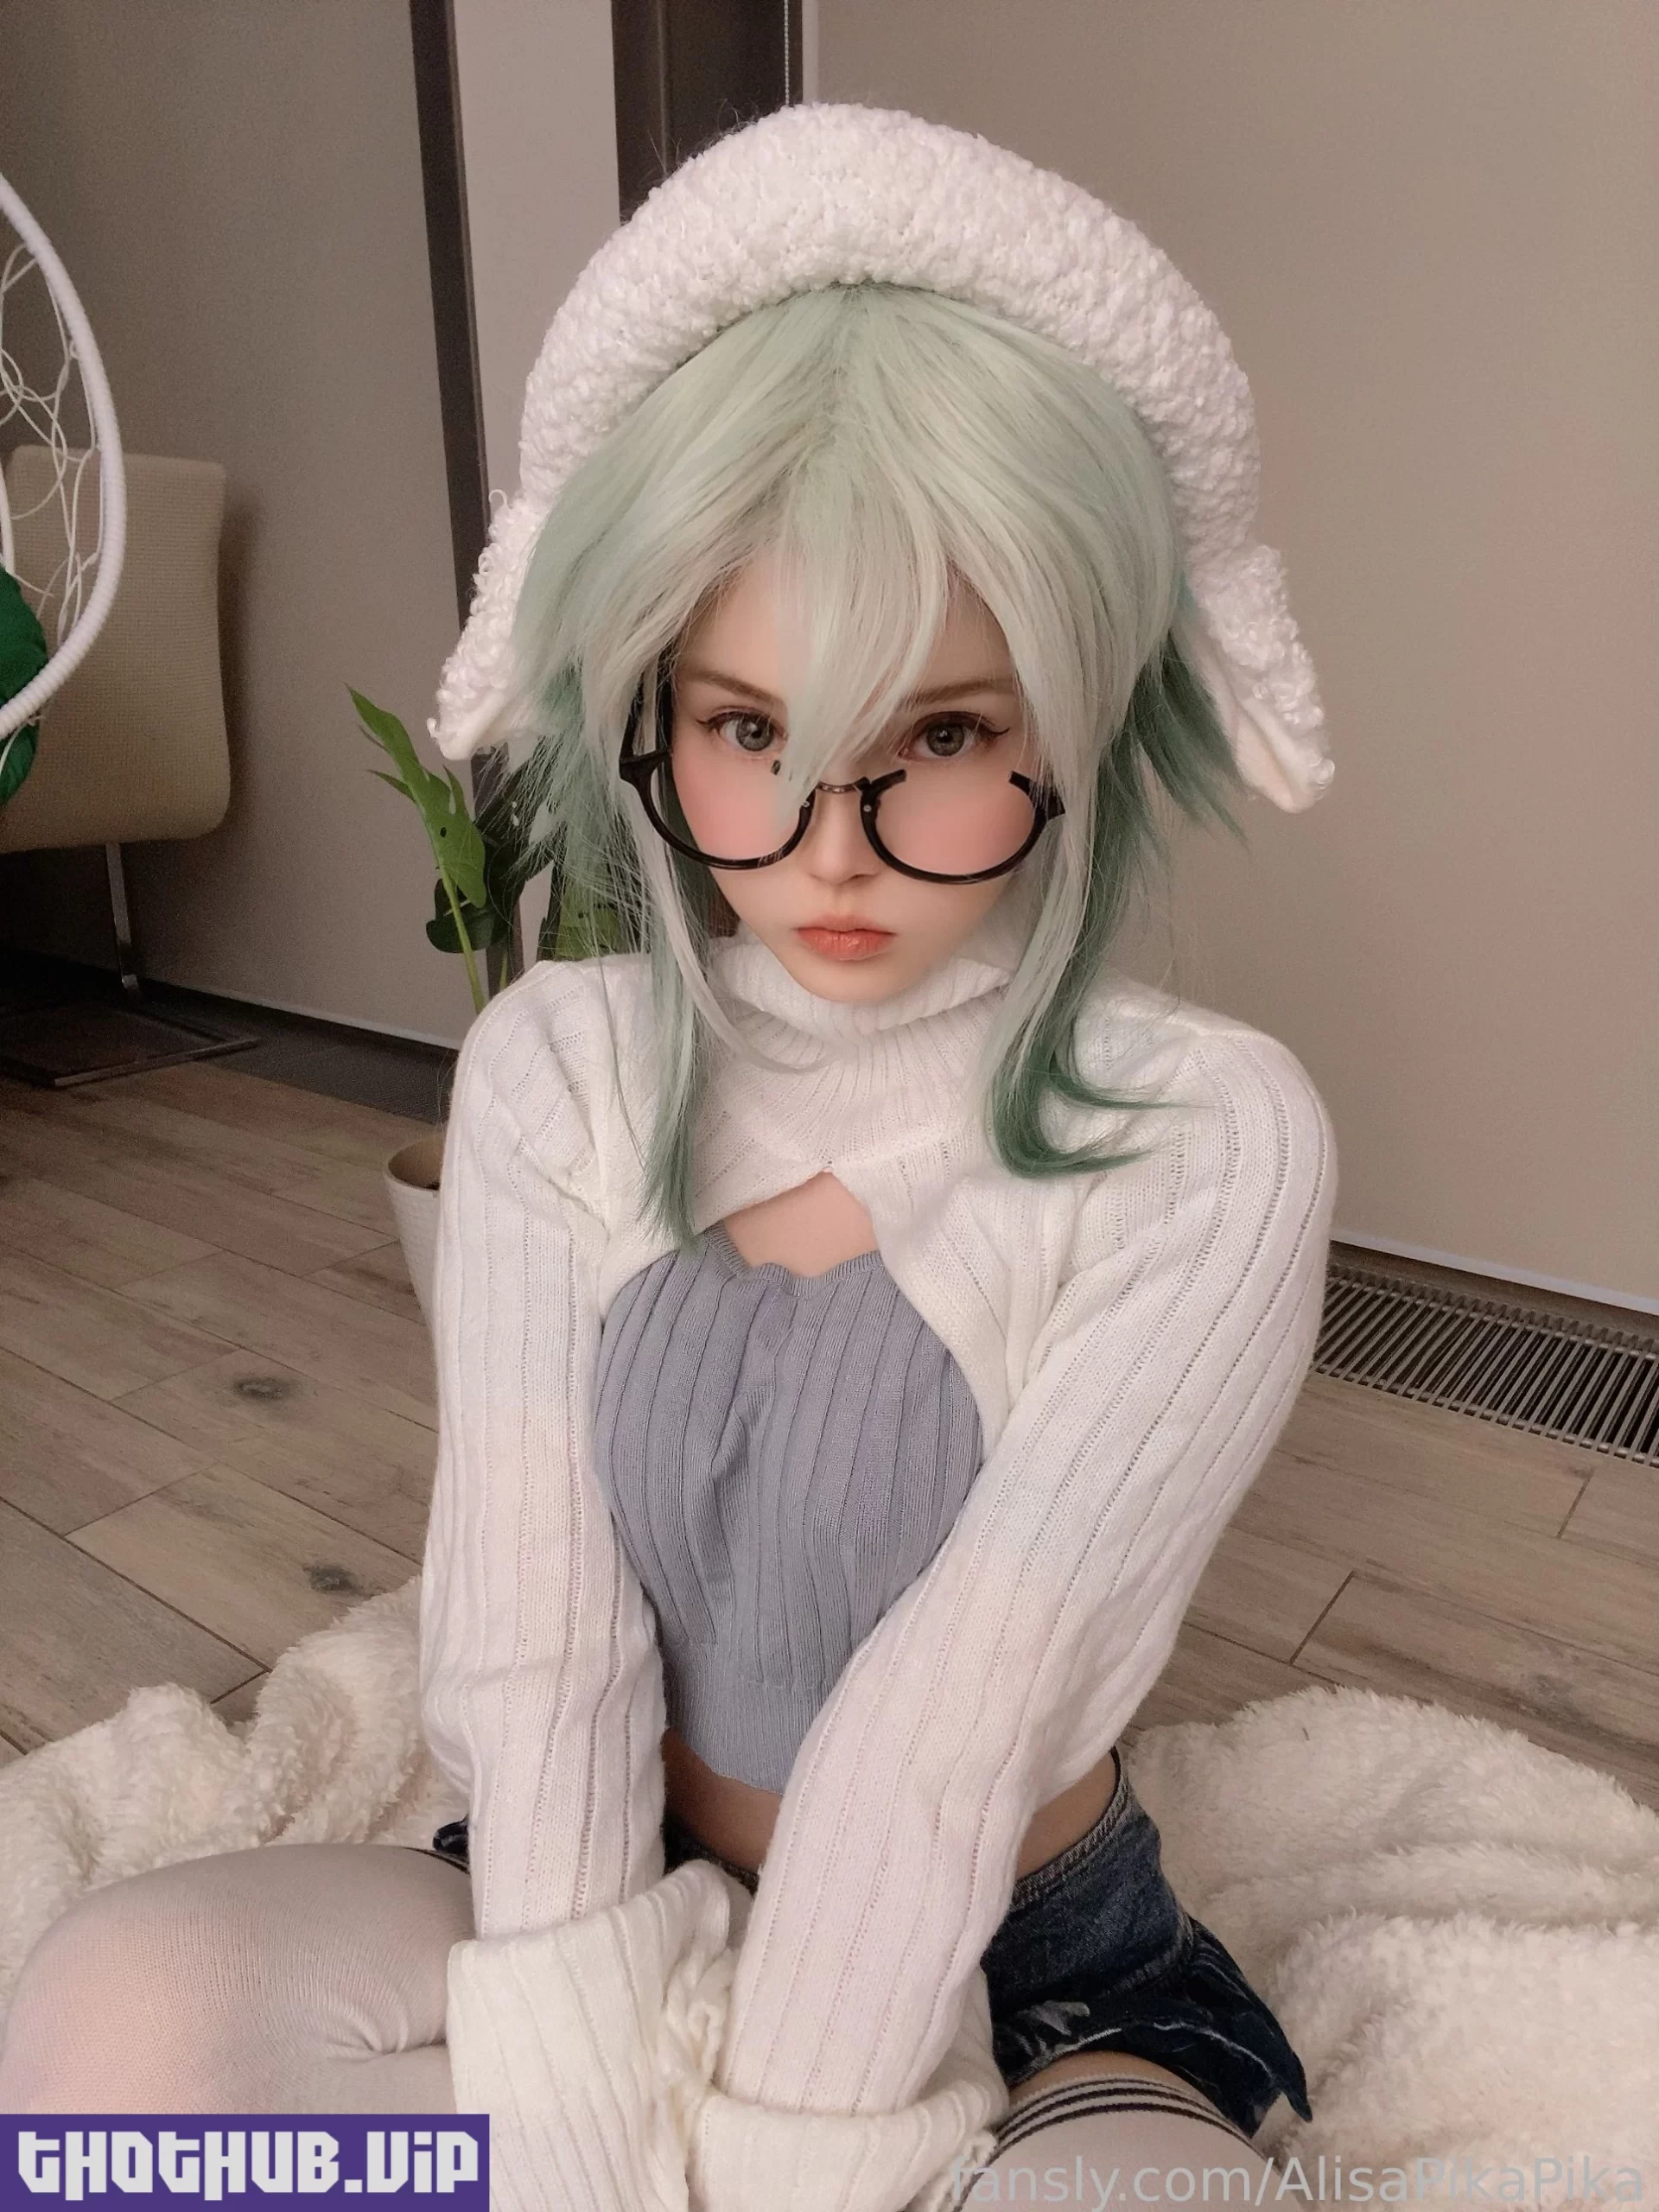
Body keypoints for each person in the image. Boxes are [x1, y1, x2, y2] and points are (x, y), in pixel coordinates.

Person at [0, 106, 1338, 2212]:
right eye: (747, 730)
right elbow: (534, 1632)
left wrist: (800, 2160)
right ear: (651, 701)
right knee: (109, 2046)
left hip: (1036, 1961)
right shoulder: (558, 1070)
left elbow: (956, 1716)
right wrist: (575, 2117)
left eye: (942, 737)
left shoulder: (1207, 1139)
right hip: (592, 1890)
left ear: (1074, 721)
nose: (830, 848)